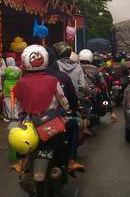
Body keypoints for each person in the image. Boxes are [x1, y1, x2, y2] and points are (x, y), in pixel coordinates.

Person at [14, 45, 84, 174]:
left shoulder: (21, 82)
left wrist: (23, 119)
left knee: (15, 129)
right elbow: (64, 103)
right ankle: (71, 161)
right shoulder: (53, 80)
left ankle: (19, 162)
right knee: (74, 124)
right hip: (51, 124)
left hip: (30, 124)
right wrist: (66, 109)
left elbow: (18, 107)